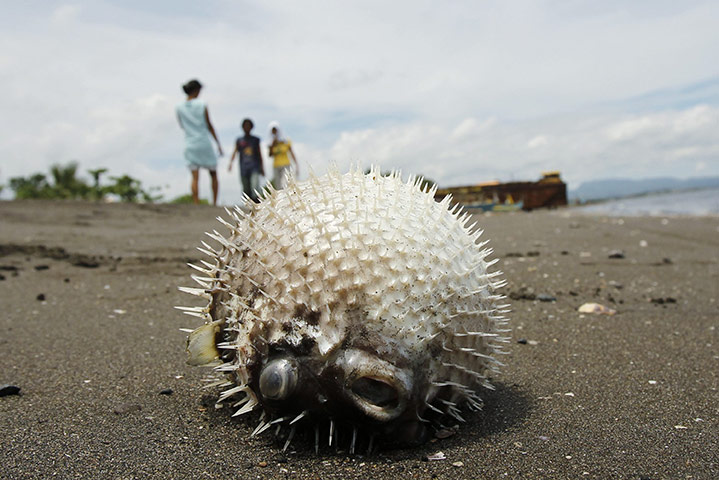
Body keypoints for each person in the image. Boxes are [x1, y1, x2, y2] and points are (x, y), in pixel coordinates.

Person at [176, 79, 223, 205]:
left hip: (190, 142)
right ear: (196, 90)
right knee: (213, 173)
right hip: (203, 141)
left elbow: (181, 125)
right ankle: (214, 202)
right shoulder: (202, 104)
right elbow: (209, 124)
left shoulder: (179, 107)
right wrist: (218, 143)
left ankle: (196, 202)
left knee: (195, 176)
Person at [228, 119, 264, 203]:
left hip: (254, 167)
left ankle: (258, 206)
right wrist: (230, 163)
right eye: (245, 126)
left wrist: (262, 168)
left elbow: (259, 154)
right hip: (244, 168)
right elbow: (235, 151)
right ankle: (249, 208)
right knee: (246, 189)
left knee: (255, 187)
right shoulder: (239, 140)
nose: (247, 127)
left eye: (248, 126)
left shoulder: (255, 140)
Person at [267, 121, 299, 189]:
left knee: (286, 182)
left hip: (286, 164)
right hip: (276, 166)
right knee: (278, 185)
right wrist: (272, 144)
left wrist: (296, 164)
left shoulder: (286, 141)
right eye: (273, 131)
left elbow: (291, 152)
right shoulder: (271, 143)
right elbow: (270, 155)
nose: (274, 132)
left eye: (275, 130)